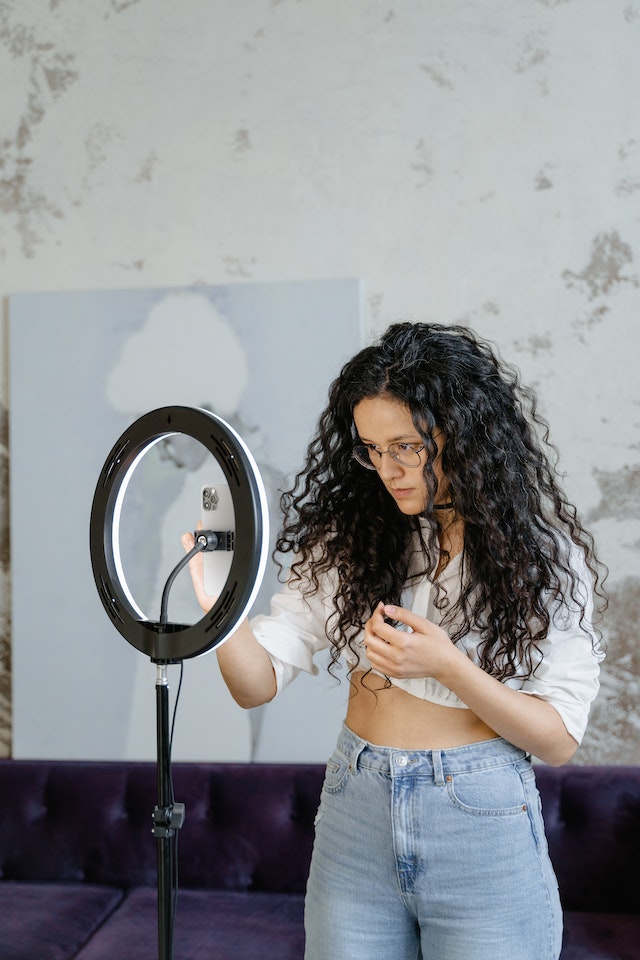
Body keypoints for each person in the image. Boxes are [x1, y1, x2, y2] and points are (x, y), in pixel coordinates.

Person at [183, 321, 606, 960]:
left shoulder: (541, 557)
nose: (388, 469)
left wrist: (448, 666)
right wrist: (218, 604)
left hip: (480, 818)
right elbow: (254, 685)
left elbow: (558, 740)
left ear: (461, 433)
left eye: (407, 446)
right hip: (357, 813)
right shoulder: (358, 537)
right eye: (372, 449)